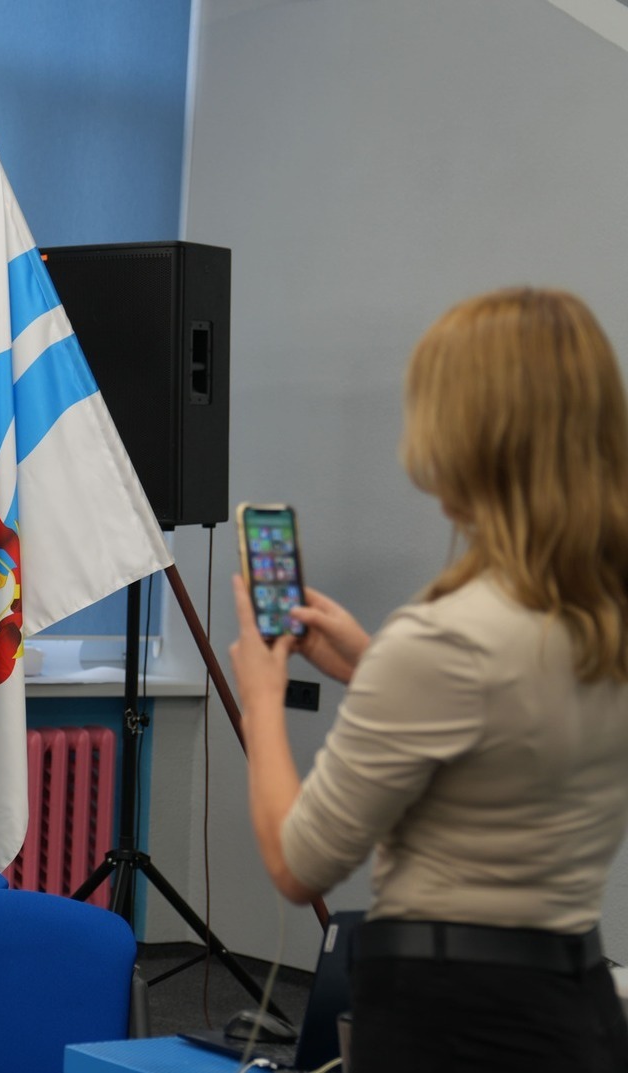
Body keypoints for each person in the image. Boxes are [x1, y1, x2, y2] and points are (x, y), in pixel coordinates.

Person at [229, 286, 628, 1071]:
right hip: (575, 1005)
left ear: (468, 433)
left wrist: (261, 699)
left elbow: (298, 862)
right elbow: (511, 730)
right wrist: (373, 663)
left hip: (452, 1021)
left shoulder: (446, 639)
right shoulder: (601, 617)